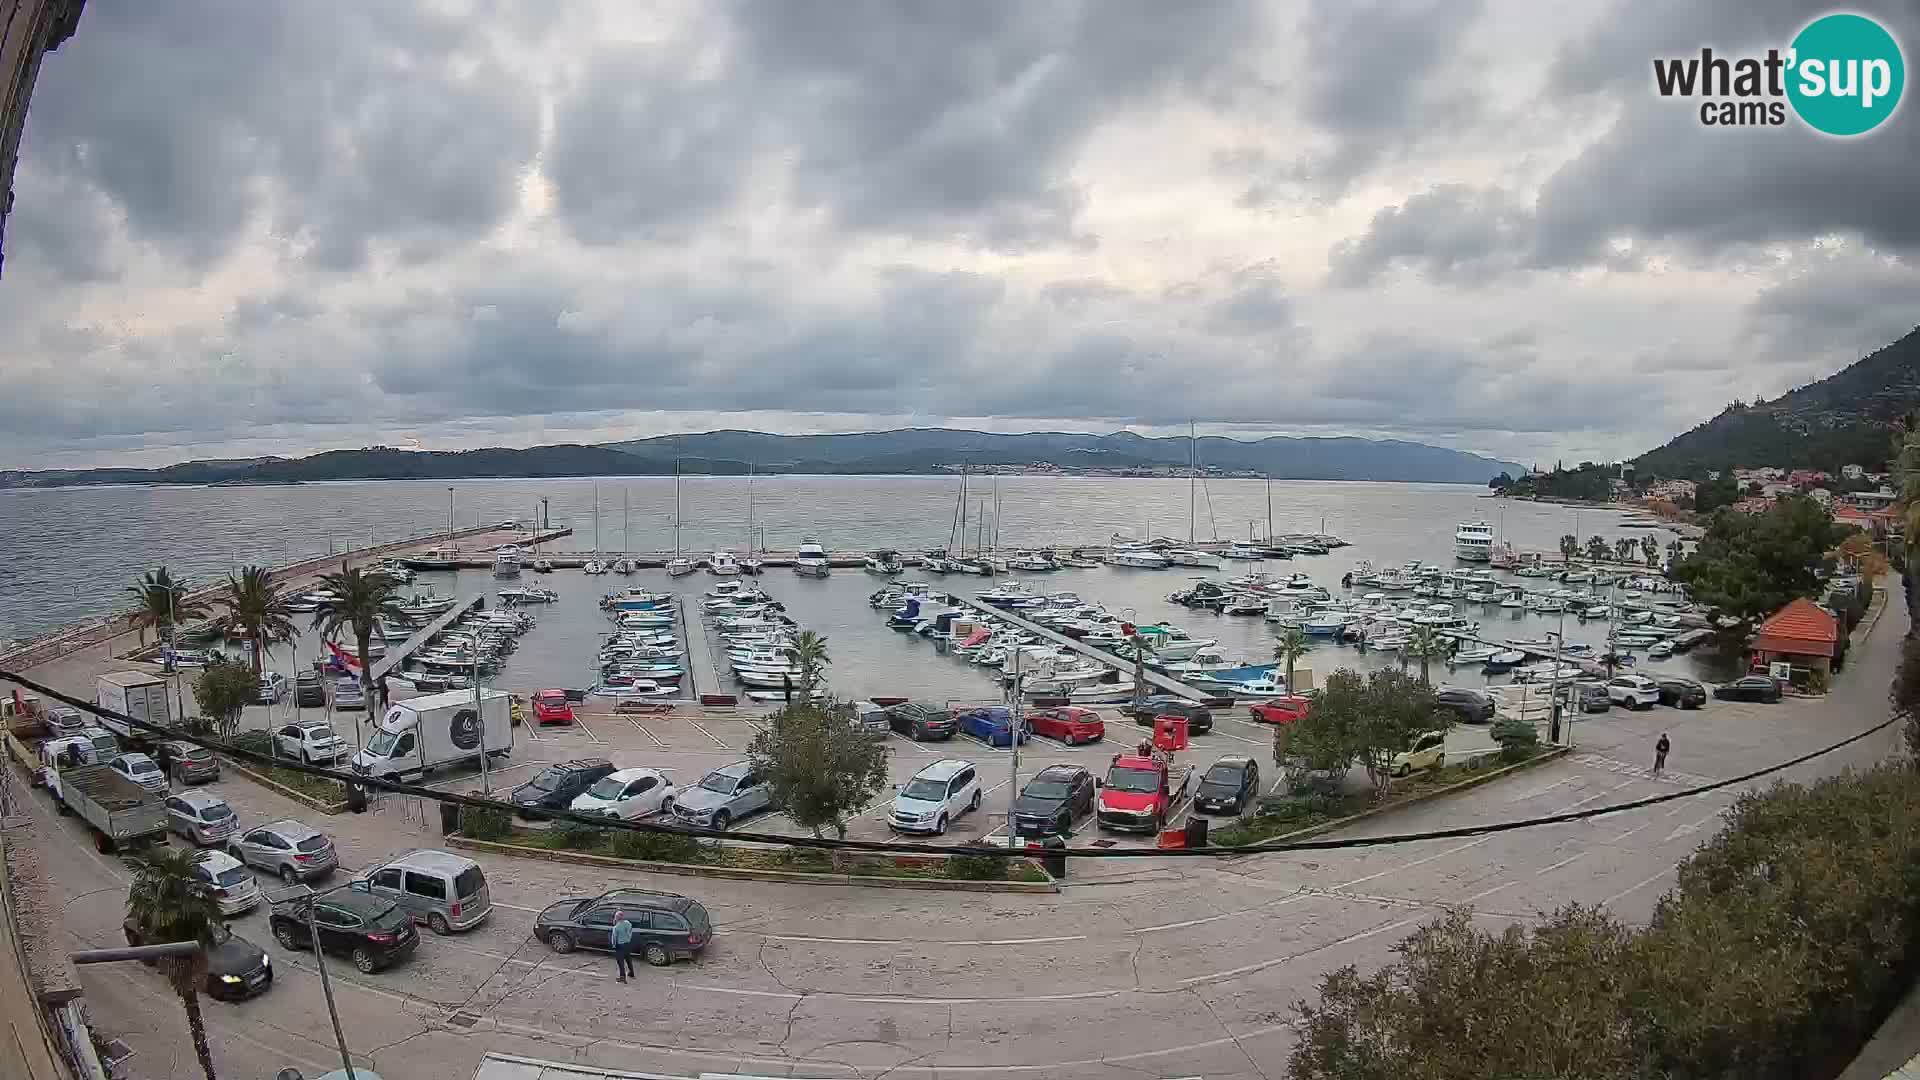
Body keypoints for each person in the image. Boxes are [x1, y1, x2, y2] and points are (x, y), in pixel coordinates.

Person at [610, 910, 635, 982]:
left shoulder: (616, 927)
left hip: (620, 946)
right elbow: (630, 932)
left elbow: (614, 938)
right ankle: (631, 973)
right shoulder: (628, 923)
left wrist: (614, 945)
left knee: (620, 962)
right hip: (627, 944)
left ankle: (622, 977)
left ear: (616, 918)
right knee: (628, 959)